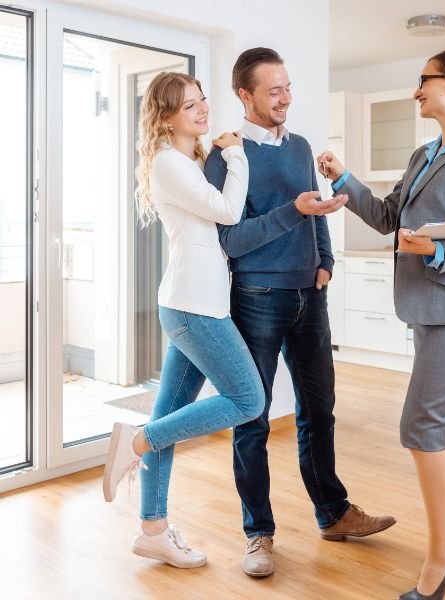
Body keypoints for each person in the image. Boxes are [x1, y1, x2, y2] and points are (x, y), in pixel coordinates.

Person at [318, 50, 445, 600]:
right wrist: (343, 178)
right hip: (430, 313)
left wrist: (436, 253)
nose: (415, 91)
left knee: (421, 430)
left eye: (423, 81)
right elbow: (387, 217)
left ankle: (441, 557)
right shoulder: (424, 153)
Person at [204, 47, 396, 578]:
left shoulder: (302, 146)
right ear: (245, 96)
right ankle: (258, 533)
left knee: (320, 412)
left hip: (310, 297)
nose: (285, 97)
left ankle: (333, 513)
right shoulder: (226, 156)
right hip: (257, 297)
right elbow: (232, 241)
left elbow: (315, 208)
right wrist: (295, 212)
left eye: (287, 87)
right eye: (273, 90)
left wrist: (326, 262)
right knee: (252, 417)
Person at [102, 71, 265, 569]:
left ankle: (152, 530)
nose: (202, 110)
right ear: (167, 116)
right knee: (248, 398)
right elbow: (227, 211)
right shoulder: (171, 163)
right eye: (189, 106)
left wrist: (218, 153)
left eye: (202, 101)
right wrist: (237, 153)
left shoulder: (187, 159)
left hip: (194, 303)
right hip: (194, 308)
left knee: (168, 416)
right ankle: (136, 442)